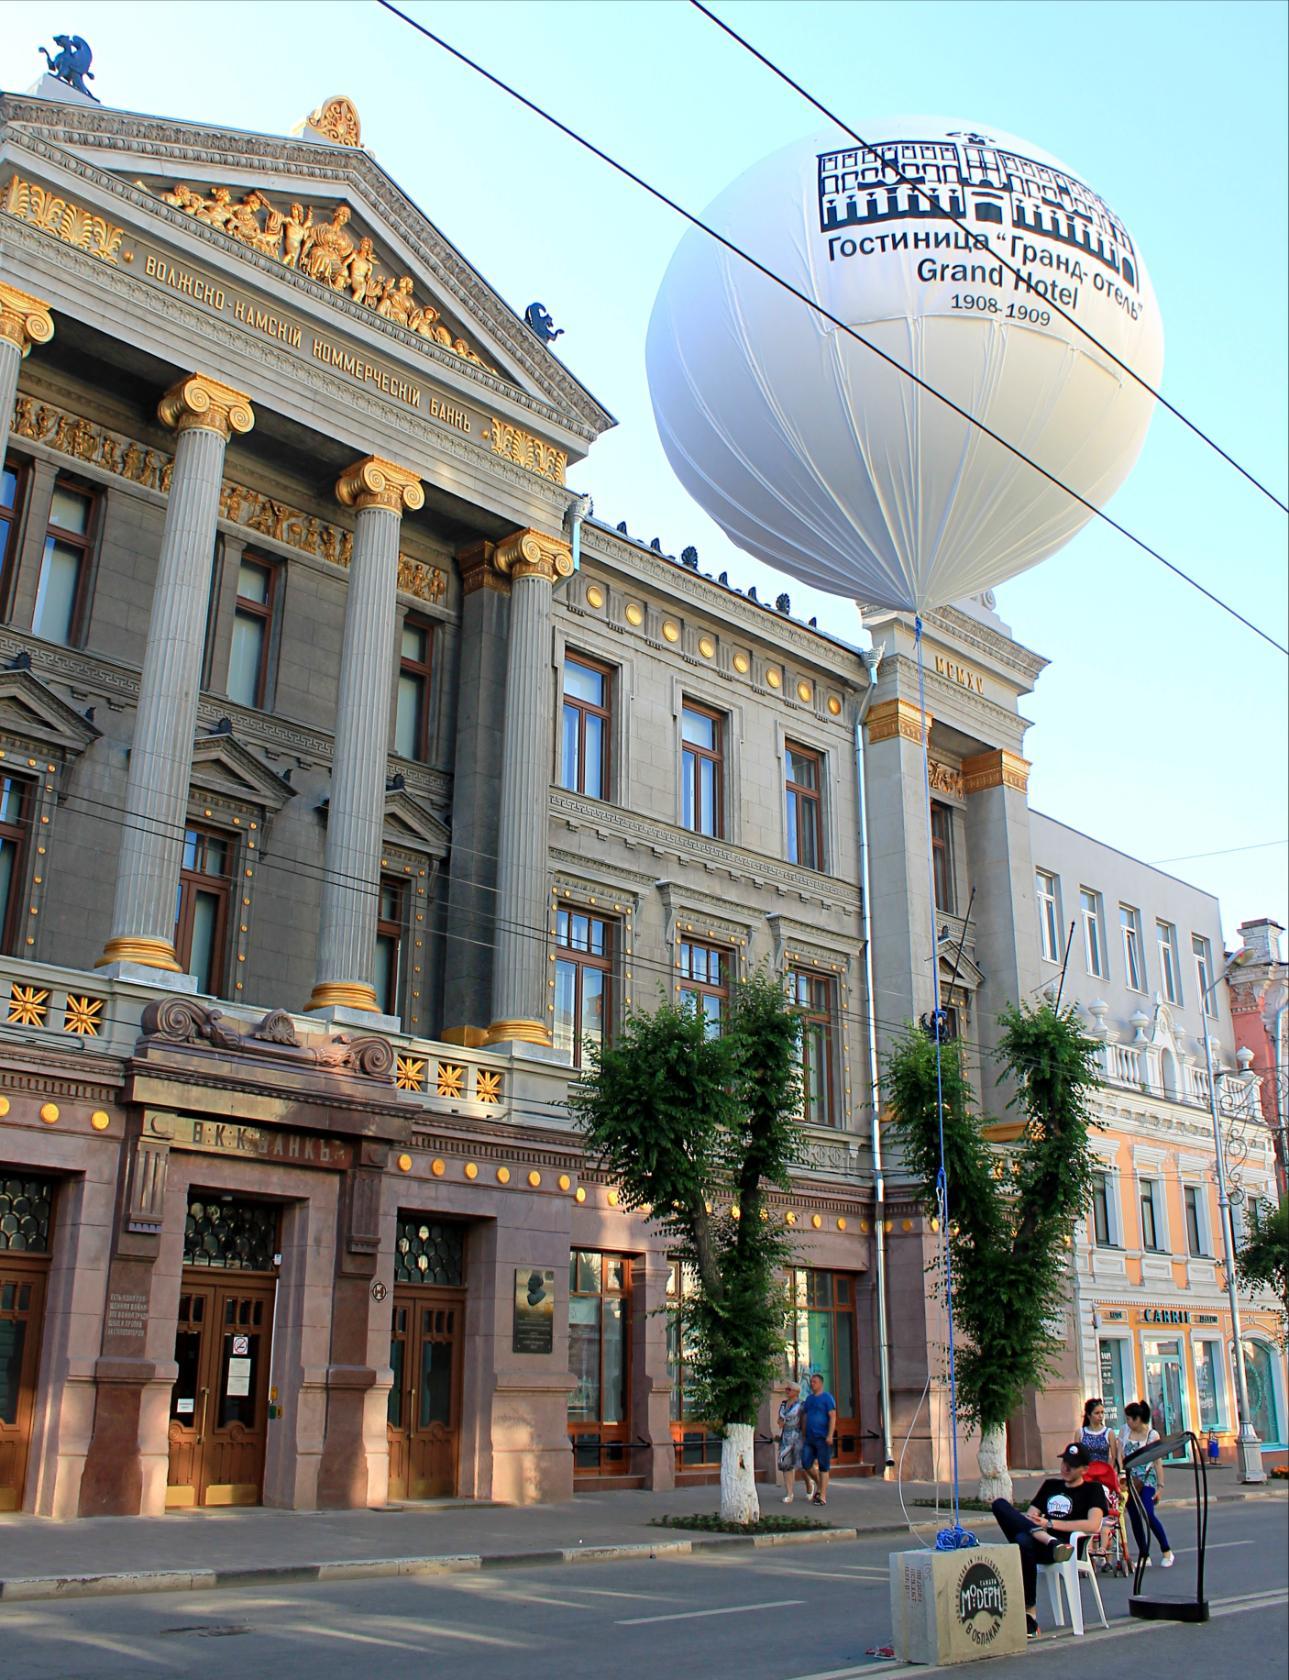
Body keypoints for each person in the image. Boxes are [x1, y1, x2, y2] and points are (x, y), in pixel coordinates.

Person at [992, 1442, 1108, 1641]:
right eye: (1064, 1462)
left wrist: (1051, 1524)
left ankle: (1030, 1613)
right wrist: (1041, 1529)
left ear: (1084, 1469)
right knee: (999, 1505)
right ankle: (1047, 1541)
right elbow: (1030, 1517)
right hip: (1041, 1542)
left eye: (1071, 1465)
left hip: (1066, 1546)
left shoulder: (1093, 1490)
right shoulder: (1050, 1486)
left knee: (1022, 1540)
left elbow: (1093, 1525)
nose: (1065, 1467)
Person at [1120, 1400, 1175, 1568]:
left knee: (1148, 1513)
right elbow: (1120, 1456)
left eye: (1130, 1419)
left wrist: (1160, 1486)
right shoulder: (1124, 1431)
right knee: (1135, 1517)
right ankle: (1144, 1555)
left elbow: (1157, 1461)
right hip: (1130, 1481)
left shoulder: (1152, 1435)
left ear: (1138, 1419)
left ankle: (1167, 1551)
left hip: (1147, 1479)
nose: (1128, 1422)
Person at [1077, 1396, 1122, 1556]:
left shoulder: (1108, 1433)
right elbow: (1076, 1457)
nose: (1100, 1416)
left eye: (1102, 1412)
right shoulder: (1081, 1433)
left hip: (1103, 1476)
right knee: (1085, 1510)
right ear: (1088, 1415)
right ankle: (1088, 1547)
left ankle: (1103, 1546)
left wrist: (1112, 1477)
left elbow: (1113, 1458)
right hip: (1086, 1476)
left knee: (1103, 1509)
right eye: (1097, 1413)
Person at [799, 1370, 837, 1506]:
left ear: (821, 1383)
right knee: (806, 1463)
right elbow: (805, 1416)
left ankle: (822, 1496)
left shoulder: (827, 1398)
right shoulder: (809, 1399)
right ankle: (820, 1484)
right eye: (811, 1382)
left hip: (823, 1437)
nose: (811, 1384)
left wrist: (830, 1435)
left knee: (823, 1467)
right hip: (809, 1438)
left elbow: (832, 1416)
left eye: (814, 1382)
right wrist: (803, 1433)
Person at [776, 1380, 804, 1502]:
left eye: (789, 1389)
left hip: (797, 1436)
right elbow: (780, 1419)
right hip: (785, 1437)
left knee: (802, 1464)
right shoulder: (783, 1404)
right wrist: (780, 1422)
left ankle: (810, 1485)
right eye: (786, 1389)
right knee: (785, 1464)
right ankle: (789, 1493)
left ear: (796, 1392)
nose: (786, 1391)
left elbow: (804, 1420)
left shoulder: (801, 1405)